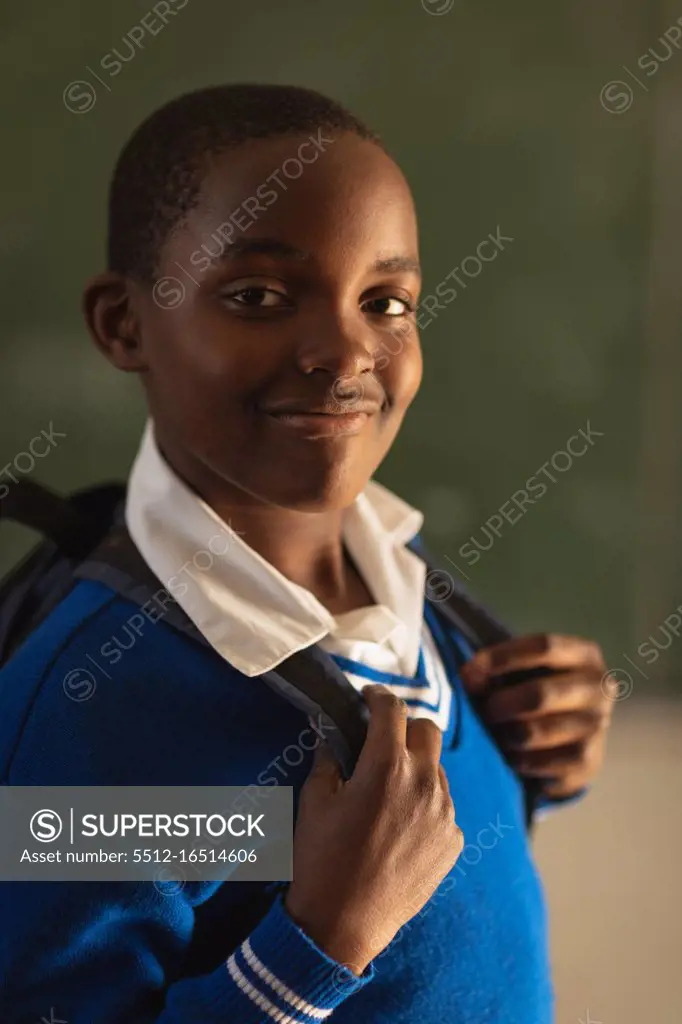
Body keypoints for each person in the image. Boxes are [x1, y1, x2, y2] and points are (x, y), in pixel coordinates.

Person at [0, 83, 615, 1023]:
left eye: (387, 300)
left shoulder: (421, 598)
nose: (344, 350)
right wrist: (320, 942)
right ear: (124, 325)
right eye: (258, 296)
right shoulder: (94, 715)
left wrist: (535, 758)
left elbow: (439, 855)